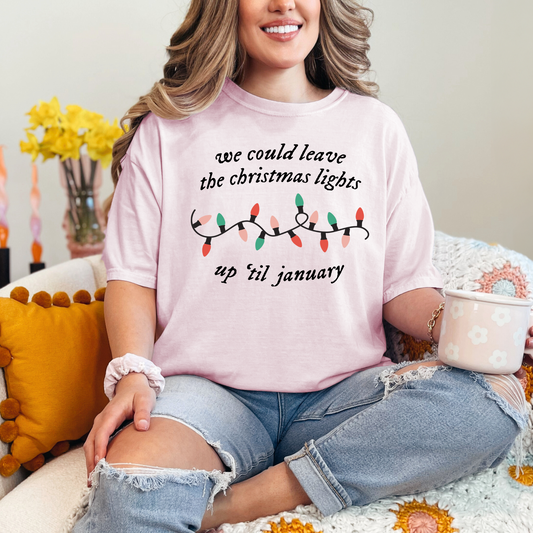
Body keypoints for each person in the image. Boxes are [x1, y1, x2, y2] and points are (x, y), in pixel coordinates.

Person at [74, 1, 532, 531]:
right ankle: (278, 483)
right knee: (128, 488)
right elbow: (132, 275)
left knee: (494, 399)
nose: (284, 5)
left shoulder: (375, 128)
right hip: (206, 396)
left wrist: (470, 327)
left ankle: (235, 505)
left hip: (343, 398)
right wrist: (133, 372)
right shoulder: (167, 130)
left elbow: (404, 288)